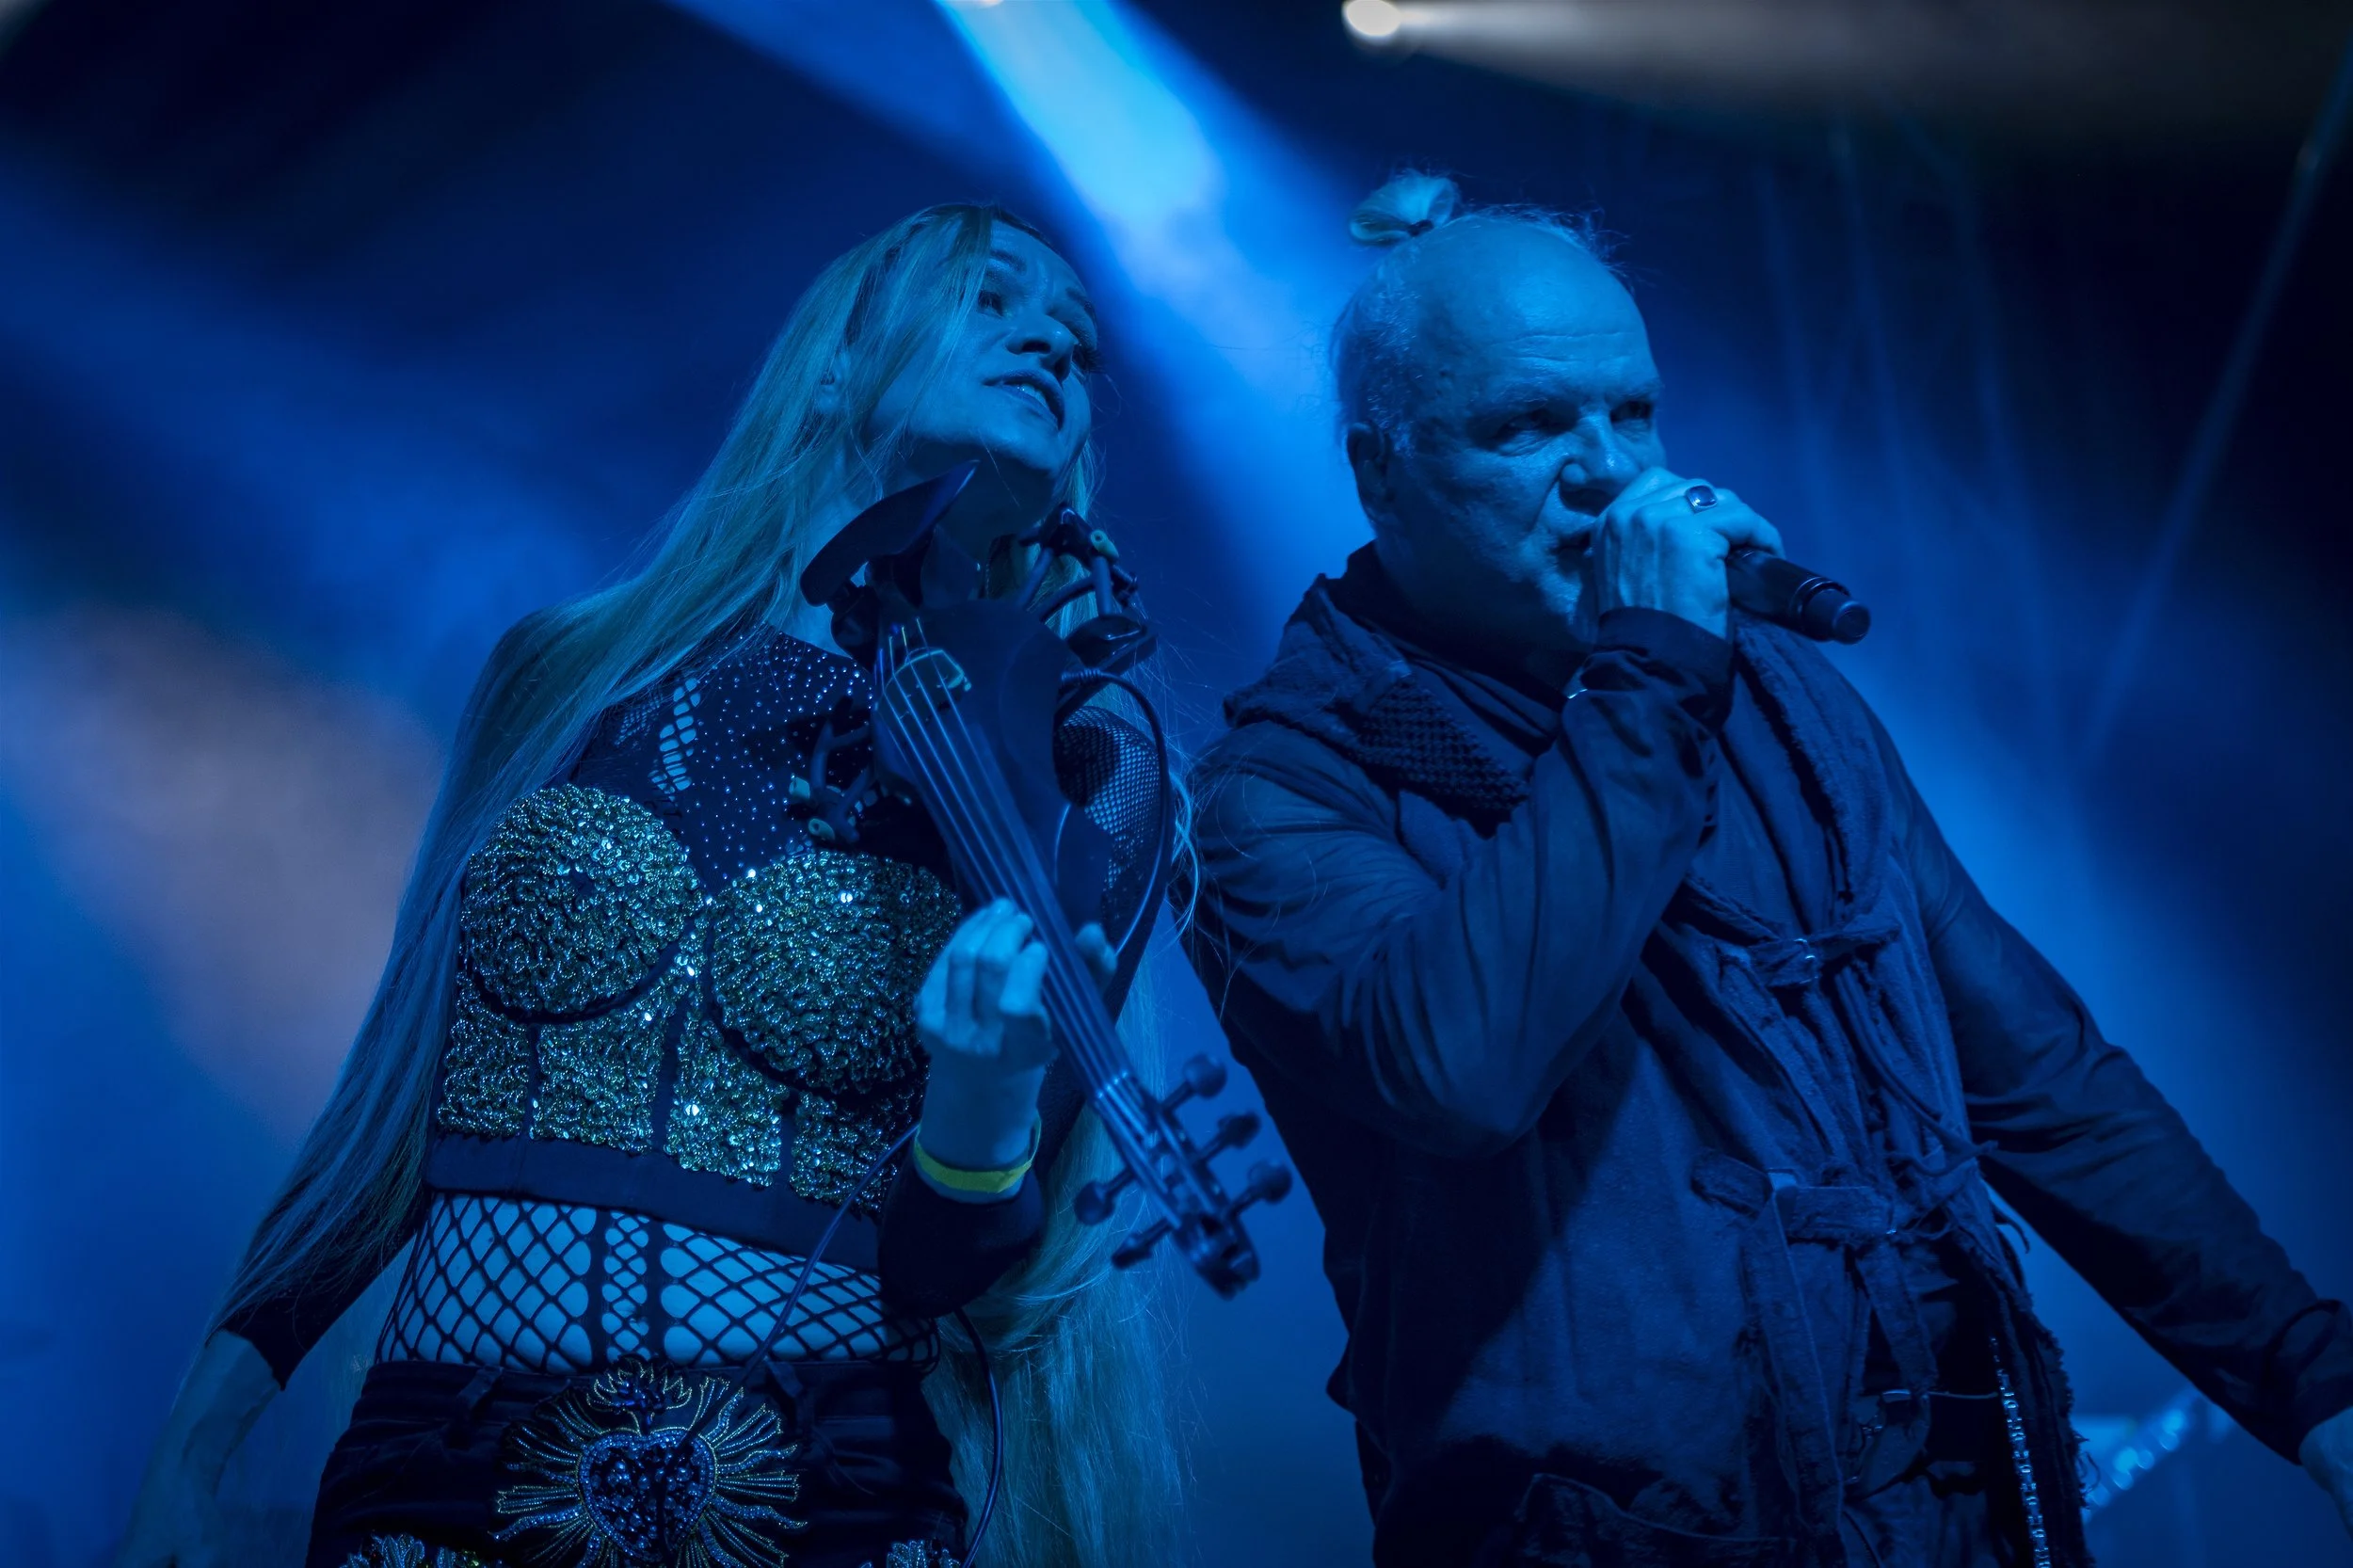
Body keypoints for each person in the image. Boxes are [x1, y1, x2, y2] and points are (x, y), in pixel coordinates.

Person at [1179, 171, 2353, 1568]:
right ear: (1381, 470)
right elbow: (1461, 1064)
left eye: (1632, 411)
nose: (1609, 472)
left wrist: (2313, 1379)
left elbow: (2039, 1075)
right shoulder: (1277, 790)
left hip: (1946, 1514)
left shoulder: (1777, 698)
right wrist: (1647, 676)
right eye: (1529, 426)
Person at [117, 202, 1179, 1568]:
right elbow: (394, 1099)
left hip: (820, 1498)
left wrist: (980, 1105)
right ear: (836, 364)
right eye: (988, 296)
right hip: (436, 1479)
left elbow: (948, 1263)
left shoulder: (1079, 754)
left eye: (1080, 346)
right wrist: (196, 1444)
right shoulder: (566, 672)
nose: (1048, 343)